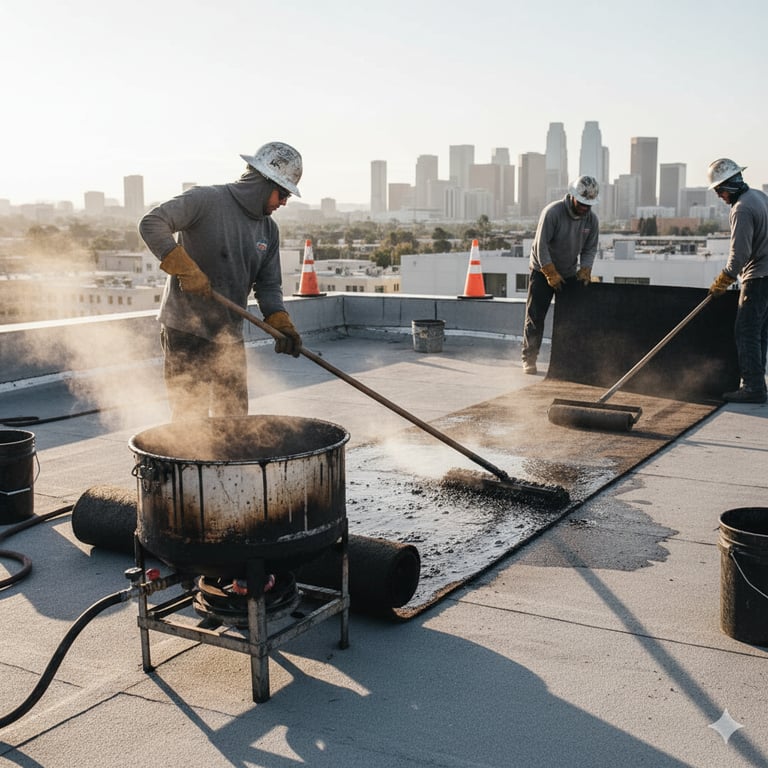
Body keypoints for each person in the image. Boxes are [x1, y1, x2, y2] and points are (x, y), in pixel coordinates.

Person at [139, 141, 304, 421]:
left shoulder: (268, 231)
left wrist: (278, 319)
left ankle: (231, 463)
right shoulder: (206, 200)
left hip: (229, 334)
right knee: (190, 420)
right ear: (262, 183)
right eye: (283, 193)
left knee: (235, 418)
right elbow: (152, 224)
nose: (284, 202)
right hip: (186, 330)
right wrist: (185, 269)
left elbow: (268, 285)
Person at [521, 175, 600, 374]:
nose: (584, 207)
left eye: (588, 204)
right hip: (541, 271)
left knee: (570, 319)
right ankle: (529, 359)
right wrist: (549, 272)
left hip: (568, 272)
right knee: (536, 316)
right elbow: (541, 246)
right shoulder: (552, 213)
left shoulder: (591, 220)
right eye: (581, 203)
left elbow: (590, 248)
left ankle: (567, 361)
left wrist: (585, 269)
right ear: (573, 196)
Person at [706, 158, 768, 404]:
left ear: (729, 185)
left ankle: (752, 387)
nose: (720, 196)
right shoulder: (760, 197)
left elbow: (739, 253)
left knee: (746, 331)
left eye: (719, 191)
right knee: (760, 333)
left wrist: (725, 277)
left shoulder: (741, 208)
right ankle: (757, 384)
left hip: (758, 278)